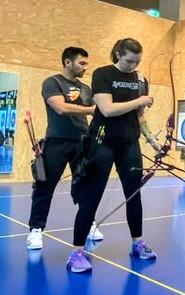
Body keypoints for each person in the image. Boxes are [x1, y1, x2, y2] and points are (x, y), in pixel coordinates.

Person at [67, 38, 161, 273]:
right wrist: (139, 100)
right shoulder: (103, 74)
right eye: (130, 60)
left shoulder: (140, 80)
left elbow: (139, 117)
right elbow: (107, 109)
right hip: (102, 142)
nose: (133, 65)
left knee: (134, 195)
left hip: (129, 143)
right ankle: (77, 252)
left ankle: (137, 243)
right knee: (92, 197)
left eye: (138, 61)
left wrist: (152, 139)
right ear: (118, 54)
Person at [26, 47, 104, 250]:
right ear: (68, 62)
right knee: (45, 186)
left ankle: (89, 223)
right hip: (57, 141)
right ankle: (35, 230)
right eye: (82, 63)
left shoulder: (86, 89)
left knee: (85, 186)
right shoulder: (52, 82)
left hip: (83, 142)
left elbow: (103, 106)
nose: (85, 67)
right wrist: (91, 110)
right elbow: (61, 108)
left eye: (87, 63)